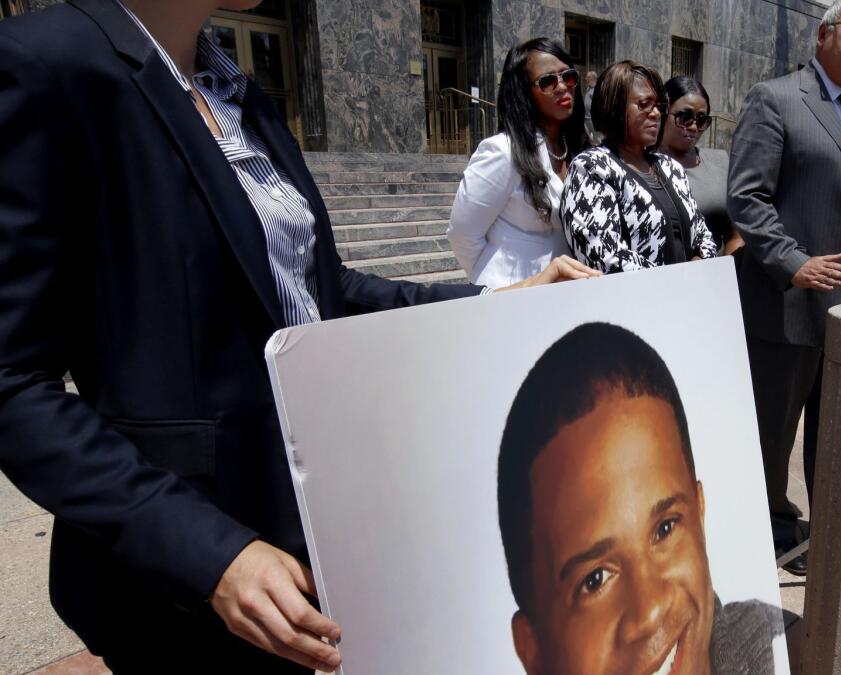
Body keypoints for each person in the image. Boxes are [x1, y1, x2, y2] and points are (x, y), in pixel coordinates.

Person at [0, 2, 597, 673]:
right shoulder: (45, 63)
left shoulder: (234, 86)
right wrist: (211, 553)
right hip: (182, 574)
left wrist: (496, 301)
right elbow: (14, 384)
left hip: (304, 536)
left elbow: (321, 288)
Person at [497, 322, 783, 675]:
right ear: (532, 651)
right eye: (595, 579)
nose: (648, 612)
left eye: (665, 529)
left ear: (700, 517)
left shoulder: (781, 649)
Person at [726, 0, 841, 577]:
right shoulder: (776, 99)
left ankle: (825, 527)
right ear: (823, 33)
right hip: (790, 304)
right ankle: (767, 527)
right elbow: (747, 197)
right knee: (774, 432)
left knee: (838, 426)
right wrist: (791, 261)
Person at [447, 38, 588, 287]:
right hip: (512, 292)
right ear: (523, 92)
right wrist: (494, 279)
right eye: (547, 81)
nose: (562, 86)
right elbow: (462, 234)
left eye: (568, 76)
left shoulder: (580, 149)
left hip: (566, 290)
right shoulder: (502, 151)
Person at [561, 60, 718, 273]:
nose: (655, 114)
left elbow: (703, 235)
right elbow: (602, 256)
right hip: (633, 301)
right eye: (644, 104)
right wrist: (672, 281)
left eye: (660, 106)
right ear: (614, 106)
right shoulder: (591, 168)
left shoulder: (671, 168)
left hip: (688, 297)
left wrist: (697, 266)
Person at [658, 75, 743, 255]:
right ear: (664, 112)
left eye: (702, 119)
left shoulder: (720, 162)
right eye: (685, 117)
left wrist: (727, 273)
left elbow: (734, 234)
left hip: (714, 275)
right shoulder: (642, 164)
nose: (694, 126)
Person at [583, 70, 601, 146]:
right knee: (589, 137)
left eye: (587, 77)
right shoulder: (588, 88)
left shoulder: (597, 89)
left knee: (597, 138)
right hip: (586, 118)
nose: (585, 79)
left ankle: (600, 152)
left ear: (592, 78)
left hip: (593, 119)